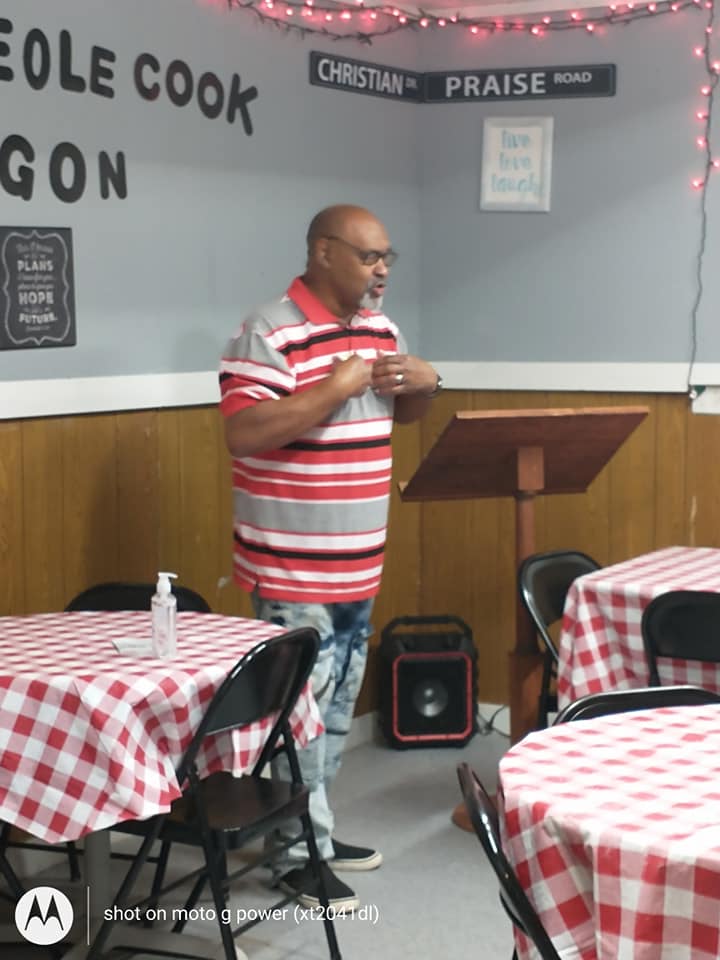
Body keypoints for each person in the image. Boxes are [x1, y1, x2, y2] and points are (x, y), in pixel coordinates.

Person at [218, 204, 441, 911]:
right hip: (292, 565)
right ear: (323, 253)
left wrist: (425, 384)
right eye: (369, 256)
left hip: (358, 561)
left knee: (337, 707)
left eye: (387, 258)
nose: (382, 270)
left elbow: (402, 413)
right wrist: (335, 387)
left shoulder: (381, 328)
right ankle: (294, 854)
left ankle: (313, 829)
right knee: (298, 714)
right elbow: (244, 432)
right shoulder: (268, 329)